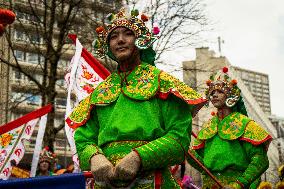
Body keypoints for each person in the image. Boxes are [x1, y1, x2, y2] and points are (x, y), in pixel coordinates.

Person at [66, 8, 207, 188]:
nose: (120, 40)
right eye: (113, 36)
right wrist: (95, 157)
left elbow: (179, 140)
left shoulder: (163, 83)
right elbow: (83, 138)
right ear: (108, 45)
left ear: (140, 40)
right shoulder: (100, 92)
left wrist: (138, 157)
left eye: (128, 34)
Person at [188, 67, 272, 189]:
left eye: (220, 92)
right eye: (212, 92)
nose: (214, 95)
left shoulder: (244, 123)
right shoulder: (208, 126)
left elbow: (261, 160)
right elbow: (201, 164)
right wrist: (185, 149)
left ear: (231, 96)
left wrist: (238, 184)